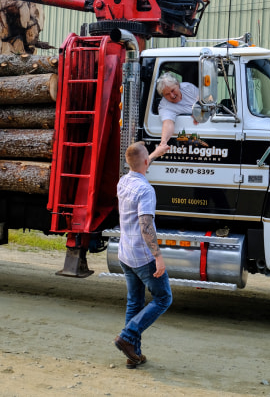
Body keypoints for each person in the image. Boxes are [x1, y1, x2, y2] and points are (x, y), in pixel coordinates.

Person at [113, 140, 171, 369]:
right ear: (145, 162)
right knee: (164, 298)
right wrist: (158, 256)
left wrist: (155, 152)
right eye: (148, 156)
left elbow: (138, 163)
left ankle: (133, 354)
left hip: (125, 254)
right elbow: (146, 224)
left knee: (135, 302)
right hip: (142, 256)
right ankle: (127, 336)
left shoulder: (123, 182)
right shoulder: (146, 190)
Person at [156, 72, 199, 146]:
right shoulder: (164, 105)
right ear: (163, 96)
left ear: (178, 85)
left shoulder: (188, 87)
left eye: (173, 90)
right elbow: (168, 123)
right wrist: (163, 142)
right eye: (167, 94)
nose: (172, 96)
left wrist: (199, 113)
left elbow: (205, 102)